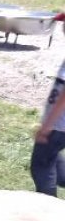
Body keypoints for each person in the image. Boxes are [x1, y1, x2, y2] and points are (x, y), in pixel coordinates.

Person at [30, 52, 65, 195]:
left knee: (41, 167)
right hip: (59, 126)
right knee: (51, 157)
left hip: (58, 126)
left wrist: (46, 127)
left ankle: (48, 205)